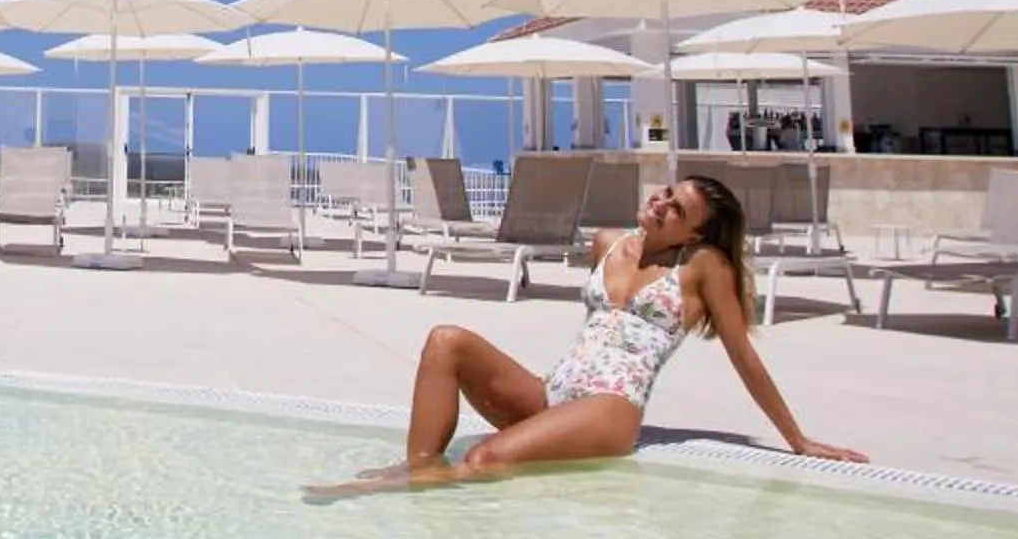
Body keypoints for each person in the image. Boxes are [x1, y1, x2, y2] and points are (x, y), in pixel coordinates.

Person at [306, 175, 864, 500]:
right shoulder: (606, 244)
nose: (662, 204)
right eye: (666, 193)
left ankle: (404, 492)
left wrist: (798, 440)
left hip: (609, 408)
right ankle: (418, 469)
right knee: (446, 339)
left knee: (486, 457)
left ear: (695, 231)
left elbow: (743, 355)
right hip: (553, 393)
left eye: (678, 210)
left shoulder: (704, 265)